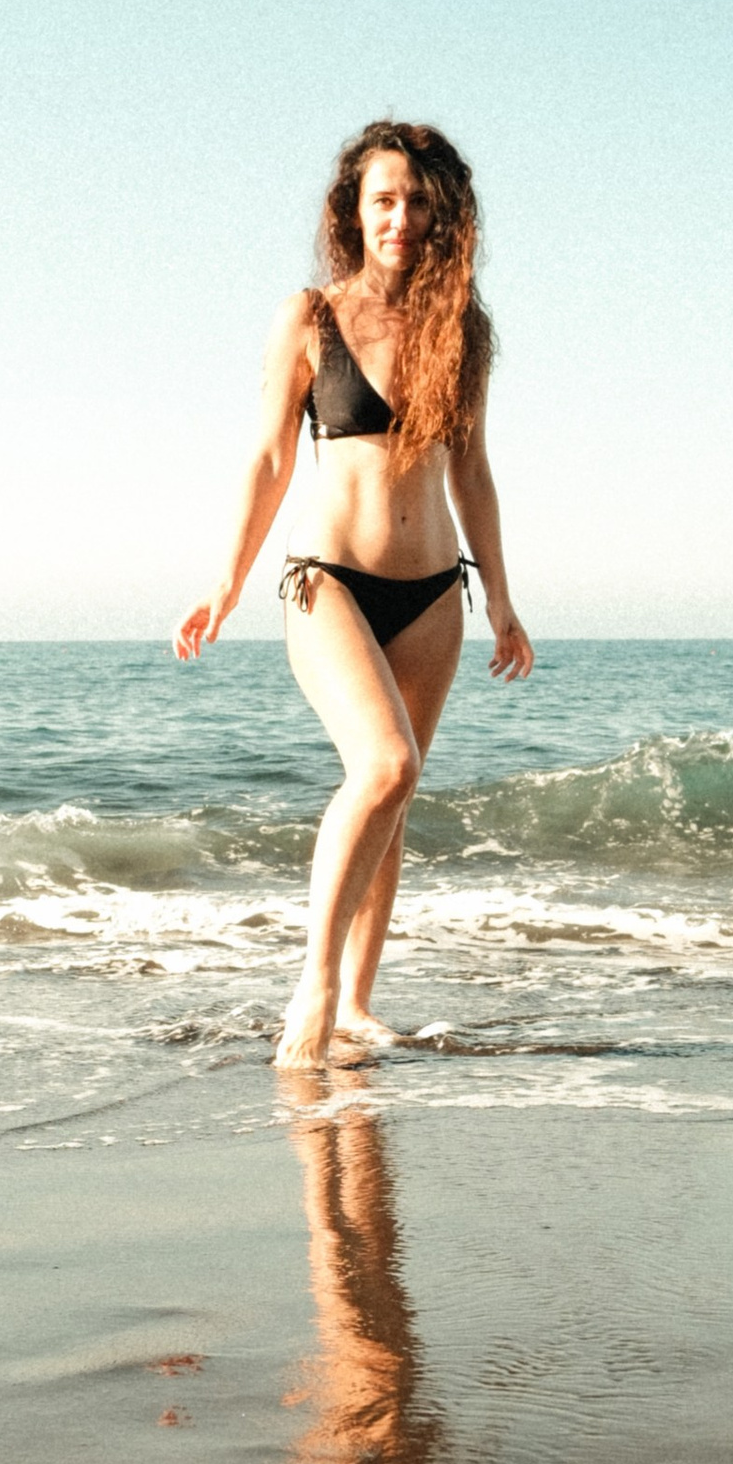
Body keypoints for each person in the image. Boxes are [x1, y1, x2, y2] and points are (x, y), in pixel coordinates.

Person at [173, 120, 533, 1065]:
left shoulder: (464, 328)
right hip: (325, 580)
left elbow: (475, 472)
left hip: (431, 597)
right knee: (386, 766)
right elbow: (267, 457)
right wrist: (227, 580)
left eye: (418, 201)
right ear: (354, 210)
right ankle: (316, 987)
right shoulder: (311, 316)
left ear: (442, 214)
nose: (401, 217)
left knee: (395, 798)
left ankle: (361, 1007)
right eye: (384, 199)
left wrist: (500, 598)